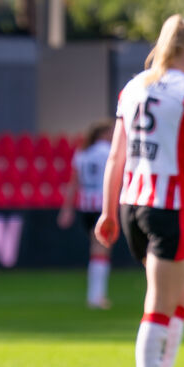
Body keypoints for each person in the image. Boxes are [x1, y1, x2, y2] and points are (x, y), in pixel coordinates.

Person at [95, 14, 184, 367]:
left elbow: (116, 155)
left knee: (180, 292)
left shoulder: (134, 87)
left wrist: (107, 211)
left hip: (132, 204)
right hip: (170, 205)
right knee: (161, 300)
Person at [58, 119, 115, 309]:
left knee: (96, 249)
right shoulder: (107, 153)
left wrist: (67, 209)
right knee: (101, 250)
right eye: (110, 132)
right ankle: (96, 296)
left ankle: (96, 295)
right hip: (101, 206)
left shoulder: (81, 153)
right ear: (103, 134)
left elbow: (73, 183)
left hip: (85, 206)